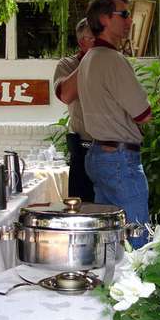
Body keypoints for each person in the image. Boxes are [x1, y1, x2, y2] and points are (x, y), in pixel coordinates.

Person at [78, 0, 152, 249]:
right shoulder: (113, 60)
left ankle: (111, 287)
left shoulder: (88, 59)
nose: (130, 20)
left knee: (108, 241)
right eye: (124, 14)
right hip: (120, 160)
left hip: (98, 153)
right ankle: (140, 289)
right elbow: (143, 114)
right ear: (105, 19)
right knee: (138, 239)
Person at [53, 18, 95, 202]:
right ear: (81, 42)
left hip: (114, 152)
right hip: (84, 150)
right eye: (94, 38)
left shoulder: (114, 62)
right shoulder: (67, 65)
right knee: (82, 209)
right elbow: (65, 95)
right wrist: (89, 61)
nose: (101, 42)